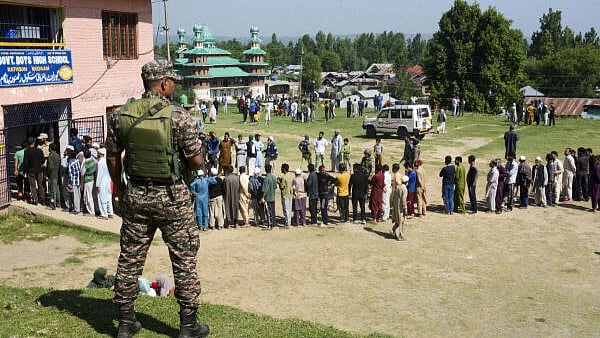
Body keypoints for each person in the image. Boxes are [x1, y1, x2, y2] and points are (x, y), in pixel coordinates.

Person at [105, 60, 208, 338]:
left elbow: (113, 158)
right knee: (184, 260)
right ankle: (188, 325)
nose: (174, 86)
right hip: (174, 198)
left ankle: (126, 322)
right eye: (172, 82)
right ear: (163, 84)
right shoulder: (178, 116)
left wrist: (122, 187)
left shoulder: (120, 115)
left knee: (130, 258)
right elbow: (197, 161)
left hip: (137, 195)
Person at [23, 136, 45, 205]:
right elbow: (43, 160)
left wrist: (26, 171)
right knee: (40, 185)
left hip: (31, 171)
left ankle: (36, 200)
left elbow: (25, 163)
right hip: (39, 170)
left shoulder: (27, 152)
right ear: (34, 142)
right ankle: (43, 200)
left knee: (33, 186)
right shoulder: (39, 150)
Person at [96, 148, 114, 219]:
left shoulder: (100, 162)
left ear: (101, 154)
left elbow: (99, 174)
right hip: (108, 181)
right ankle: (110, 212)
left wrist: (97, 184)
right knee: (108, 198)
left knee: (101, 198)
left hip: (102, 182)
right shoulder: (108, 161)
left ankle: (104, 214)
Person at [391, 175, 408, 241]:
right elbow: (404, 200)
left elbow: (394, 197)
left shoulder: (398, 187)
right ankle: (400, 235)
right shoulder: (404, 189)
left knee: (398, 220)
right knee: (401, 222)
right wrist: (405, 208)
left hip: (396, 206)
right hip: (401, 208)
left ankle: (393, 230)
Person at [278, 163, 294, 228]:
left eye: (282, 168)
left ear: (284, 169)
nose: (281, 169)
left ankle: (287, 223)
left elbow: (282, 187)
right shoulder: (290, 176)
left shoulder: (284, 177)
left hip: (285, 194)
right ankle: (289, 222)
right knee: (289, 209)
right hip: (290, 194)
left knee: (286, 209)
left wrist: (279, 182)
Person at [81, 149, 97, 216]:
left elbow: (82, 173)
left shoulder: (86, 163)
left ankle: (91, 211)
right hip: (92, 179)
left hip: (87, 180)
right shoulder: (93, 160)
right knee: (91, 195)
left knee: (88, 196)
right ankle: (93, 210)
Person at [46, 143, 61, 210]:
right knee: (57, 190)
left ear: (50, 149)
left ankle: (52, 205)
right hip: (57, 175)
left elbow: (51, 167)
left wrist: (47, 173)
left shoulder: (50, 156)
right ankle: (58, 204)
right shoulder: (58, 155)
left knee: (52, 191)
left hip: (52, 175)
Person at [262, 164, 277, 229]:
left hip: (268, 198)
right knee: (273, 211)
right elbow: (275, 187)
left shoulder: (266, 179)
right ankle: (273, 223)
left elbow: (265, 190)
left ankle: (270, 225)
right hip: (273, 196)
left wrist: (262, 197)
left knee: (268, 212)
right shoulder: (274, 177)